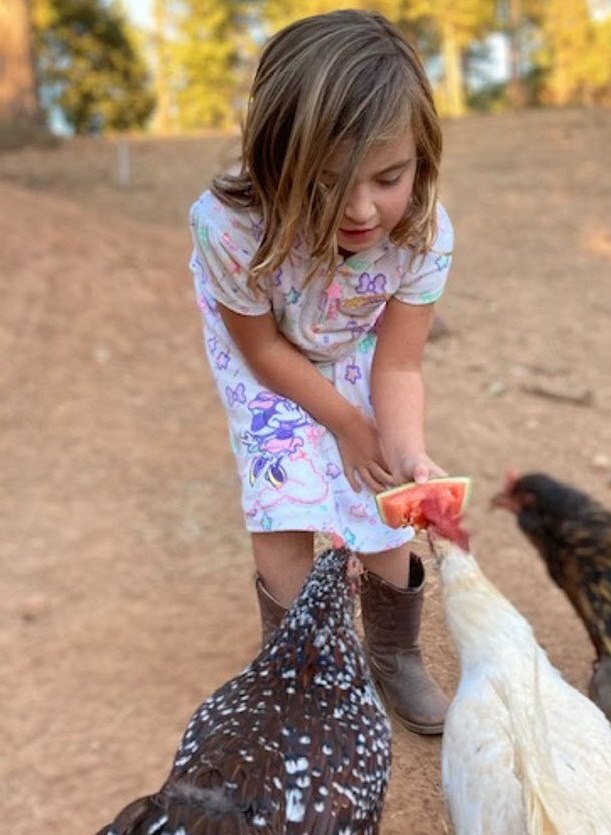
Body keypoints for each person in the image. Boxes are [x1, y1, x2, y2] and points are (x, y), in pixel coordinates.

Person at [188, 9, 453, 735]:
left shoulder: (423, 234)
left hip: (354, 339)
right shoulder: (230, 228)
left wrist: (400, 448)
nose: (362, 208)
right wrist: (338, 421)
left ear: (421, 160)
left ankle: (394, 651)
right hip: (265, 349)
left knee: (379, 488)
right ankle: (300, 671)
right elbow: (266, 350)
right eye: (326, 184)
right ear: (275, 165)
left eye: (389, 177)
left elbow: (398, 361)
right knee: (288, 489)